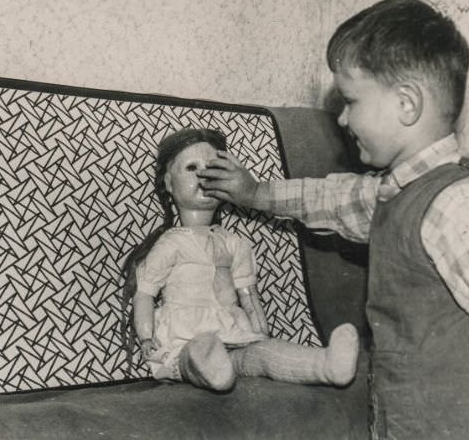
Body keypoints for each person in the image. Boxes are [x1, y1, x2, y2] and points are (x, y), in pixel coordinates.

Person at [199, 0, 469, 439]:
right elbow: (332, 198)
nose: (344, 119)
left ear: (407, 104)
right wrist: (256, 193)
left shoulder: (461, 204)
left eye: (351, 101)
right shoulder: (395, 191)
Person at [121, 127, 358, 391]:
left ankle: (326, 364)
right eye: (191, 167)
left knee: (262, 355)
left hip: (233, 333)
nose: (203, 174)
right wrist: (145, 336)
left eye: (212, 167)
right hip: (184, 339)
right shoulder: (171, 244)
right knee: (195, 354)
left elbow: (249, 296)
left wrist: (262, 335)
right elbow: (144, 292)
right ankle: (209, 368)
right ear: (168, 183)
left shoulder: (234, 244)